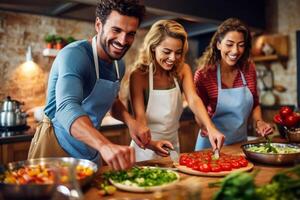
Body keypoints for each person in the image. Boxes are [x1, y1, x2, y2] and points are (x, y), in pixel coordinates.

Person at [28, 0, 151, 170]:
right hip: (55, 147)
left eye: (130, 34)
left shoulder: (118, 65)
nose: (123, 41)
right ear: (99, 25)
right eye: (116, 30)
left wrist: (131, 122)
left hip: (90, 148)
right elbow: (66, 107)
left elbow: (112, 102)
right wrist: (104, 145)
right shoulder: (74, 55)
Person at [129, 19, 224, 161]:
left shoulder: (182, 70)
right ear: (153, 47)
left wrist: (210, 128)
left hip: (172, 147)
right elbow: (140, 119)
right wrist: (150, 143)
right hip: (144, 149)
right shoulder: (139, 76)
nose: (173, 58)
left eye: (178, 52)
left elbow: (193, 99)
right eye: (167, 52)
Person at [194, 18, 274, 150]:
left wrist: (259, 122)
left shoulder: (248, 69)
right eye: (229, 44)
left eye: (241, 45)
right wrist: (206, 127)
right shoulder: (204, 75)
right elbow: (198, 111)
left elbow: (254, 103)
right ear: (219, 44)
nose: (235, 51)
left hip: (239, 144)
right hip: (211, 145)